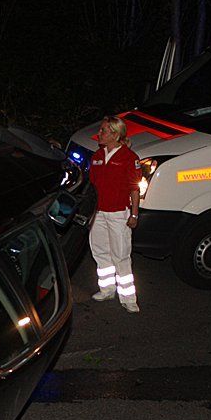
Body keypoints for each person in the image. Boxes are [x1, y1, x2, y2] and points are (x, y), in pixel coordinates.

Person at [88, 115, 142, 313]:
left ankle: (128, 298)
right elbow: (92, 186)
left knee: (121, 255)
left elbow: (135, 189)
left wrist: (134, 215)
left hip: (118, 214)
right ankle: (107, 289)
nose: (99, 134)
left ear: (115, 134)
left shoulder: (129, 158)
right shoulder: (97, 156)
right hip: (98, 214)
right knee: (100, 252)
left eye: (103, 130)